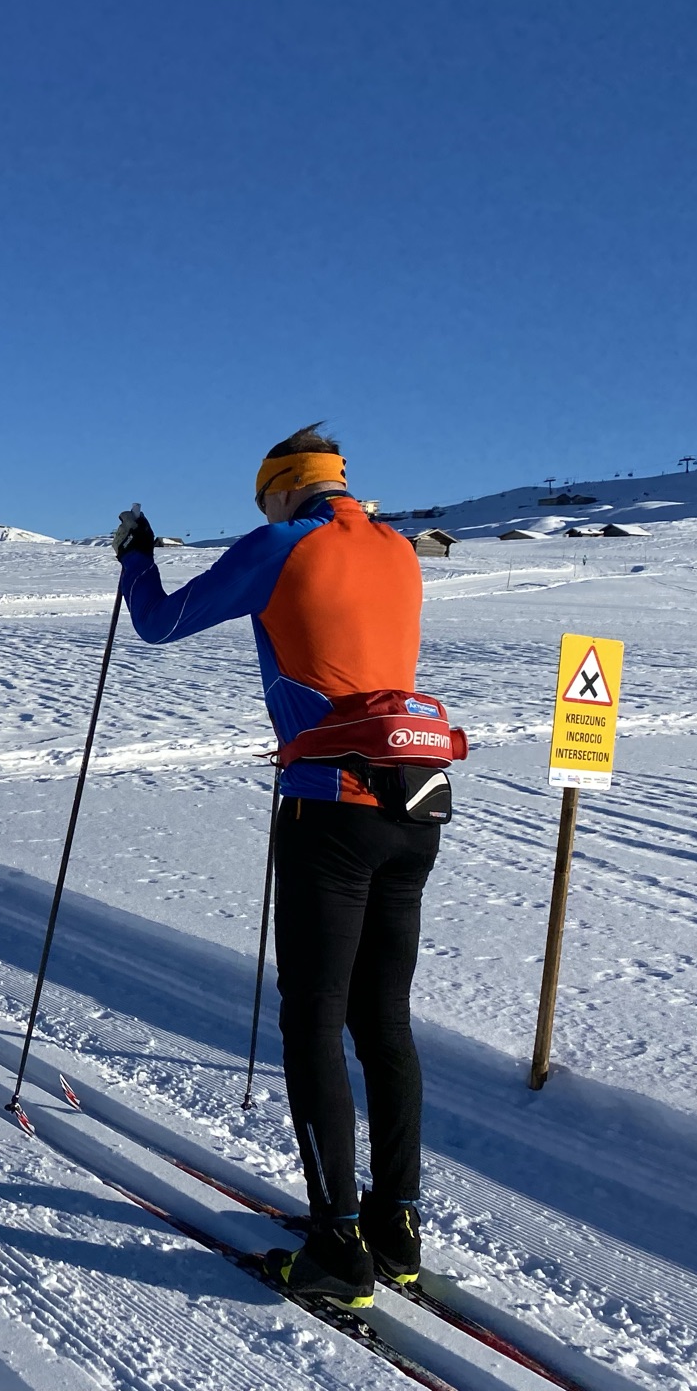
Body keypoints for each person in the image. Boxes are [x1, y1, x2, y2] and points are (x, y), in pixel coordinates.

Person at [111, 424, 443, 1308]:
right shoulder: (401, 550)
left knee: (314, 1020)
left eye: (264, 501)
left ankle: (337, 1246)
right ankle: (397, 1228)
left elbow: (159, 623)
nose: (264, 514)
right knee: (385, 1021)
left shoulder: (283, 544)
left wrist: (136, 557)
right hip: (415, 805)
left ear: (285, 487)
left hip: (327, 808)